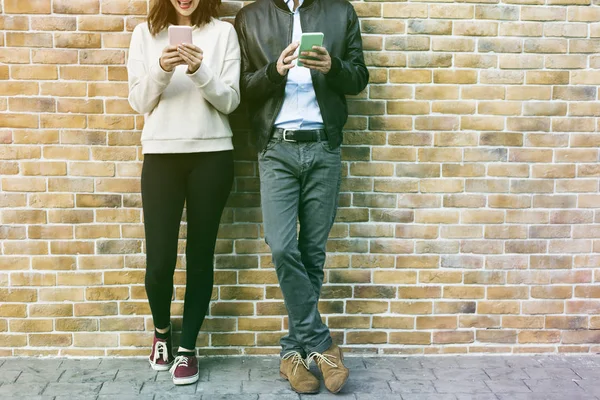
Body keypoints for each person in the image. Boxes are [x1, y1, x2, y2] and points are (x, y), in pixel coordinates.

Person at [235, 0, 369, 394]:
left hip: (323, 147)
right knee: (281, 245)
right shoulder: (251, 17)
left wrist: (335, 68)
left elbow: (360, 77)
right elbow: (242, 86)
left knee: (312, 254)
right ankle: (323, 345)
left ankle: (292, 354)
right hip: (276, 147)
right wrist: (275, 72)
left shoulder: (339, 11)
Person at [126, 0, 240, 386]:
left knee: (200, 256)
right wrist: (161, 68)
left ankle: (188, 348)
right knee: (159, 260)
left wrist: (199, 69)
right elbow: (138, 102)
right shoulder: (145, 34)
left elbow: (230, 100)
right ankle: (162, 333)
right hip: (161, 155)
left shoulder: (224, 33)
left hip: (212, 155)